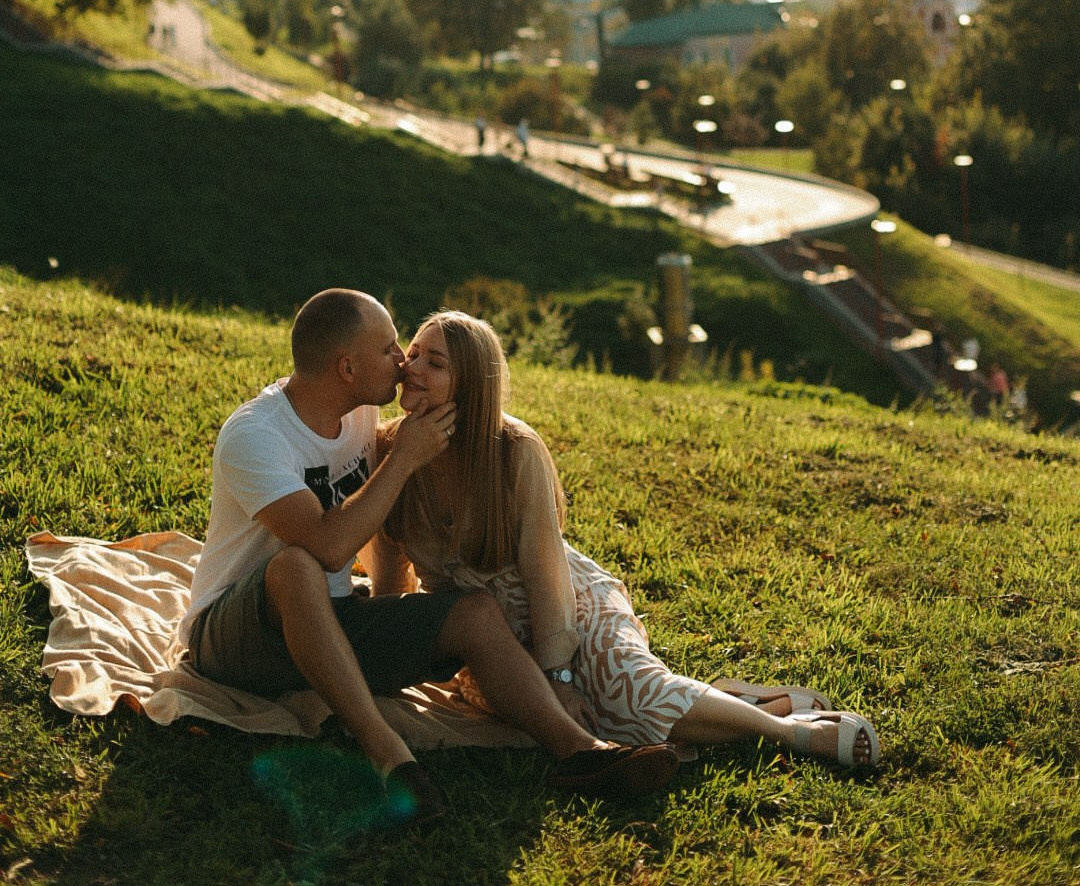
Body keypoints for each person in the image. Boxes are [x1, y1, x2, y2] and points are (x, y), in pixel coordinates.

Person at [181, 289, 680, 823]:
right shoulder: (255, 435)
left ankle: (581, 752)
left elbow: (381, 533)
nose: (403, 361)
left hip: (331, 622)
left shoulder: (360, 415)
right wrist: (404, 460)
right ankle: (395, 763)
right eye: (390, 348)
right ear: (346, 367)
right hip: (233, 638)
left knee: (474, 609)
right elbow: (327, 548)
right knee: (296, 566)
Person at [370, 311, 880, 773]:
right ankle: (736, 702)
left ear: (471, 387)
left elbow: (546, 576)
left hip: (569, 604)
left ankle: (790, 731)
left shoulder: (513, 452)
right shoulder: (387, 449)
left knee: (629, 693)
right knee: (578, 724)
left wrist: (561, 676)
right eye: (413, 352)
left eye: (434, 363)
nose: (411, 366)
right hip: (487, 638)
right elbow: (390, 577)